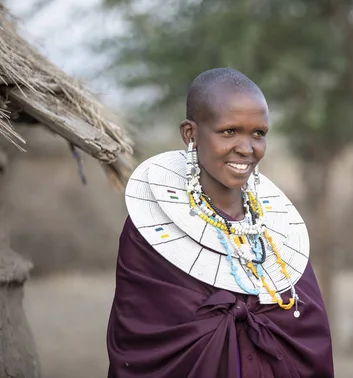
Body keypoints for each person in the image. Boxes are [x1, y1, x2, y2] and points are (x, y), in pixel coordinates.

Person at [106, 68, 334, 378]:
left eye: (258, 133)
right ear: (191, 134)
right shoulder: (151, 230)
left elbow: (308, 334)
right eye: (229, 131)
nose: (246, 147)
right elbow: (144, 343)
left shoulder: (281, 235)